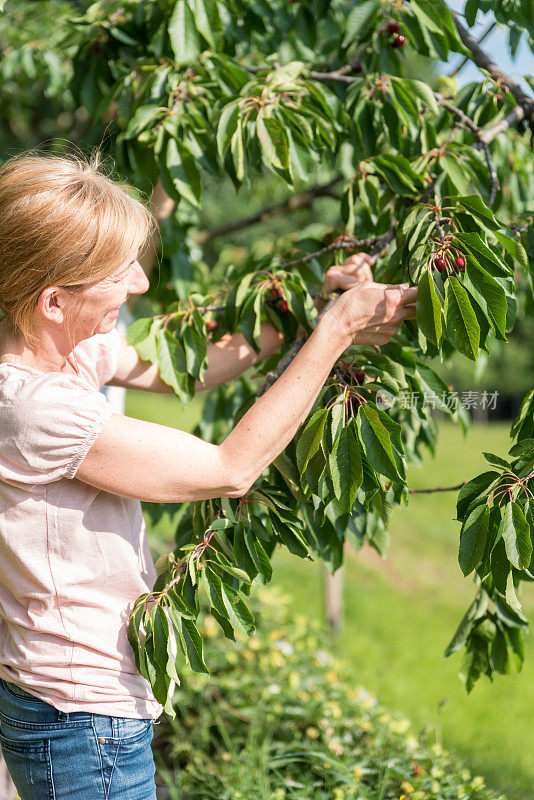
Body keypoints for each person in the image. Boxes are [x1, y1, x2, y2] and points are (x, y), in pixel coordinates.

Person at [0, 152, 417, 800]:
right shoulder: (35, 407)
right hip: (79, 719)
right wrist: (339, 331)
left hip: (72, 704)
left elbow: (185, 367)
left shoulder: (58, 351)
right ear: (54, 299)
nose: (138, 284)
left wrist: (310, 309)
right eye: (118, 272)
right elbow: (232, 468)